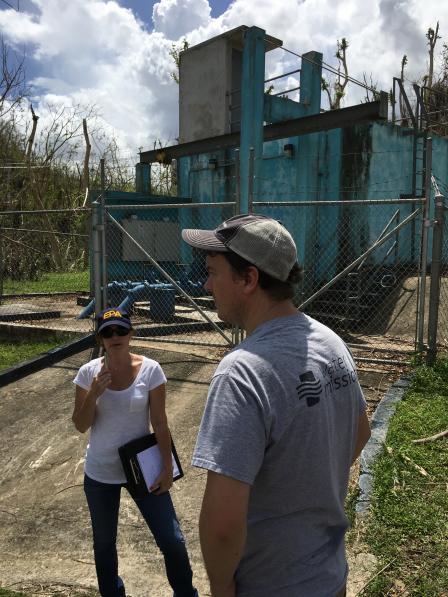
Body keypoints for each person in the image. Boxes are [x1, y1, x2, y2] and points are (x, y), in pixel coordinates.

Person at [181, 214, 371, 597]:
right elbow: (362, 432)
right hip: (330, 577)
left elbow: (221, 526)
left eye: (213, 272)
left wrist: (221, 588)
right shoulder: (331, 343)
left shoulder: (242, 373)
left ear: (249, 279)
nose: (206, 284)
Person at [72, 307, 198, 597]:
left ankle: (185, 592)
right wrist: (94, 393)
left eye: (120, 330)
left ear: (131, 333)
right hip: (101, 472)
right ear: (100, 338)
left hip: (143, 469)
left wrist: (167, 468)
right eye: (107, 332)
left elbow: (160, 422)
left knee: (171, 539)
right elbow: (80, 425)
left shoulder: (151, 370)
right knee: (104, 544)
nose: (115, 336)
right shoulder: (88, 373)